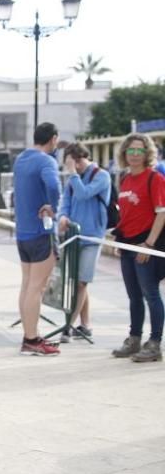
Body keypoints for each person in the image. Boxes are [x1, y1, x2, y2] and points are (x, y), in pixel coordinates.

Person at [109, 133, 165, 363]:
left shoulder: (155, 179)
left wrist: (148, 245)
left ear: (147, 153)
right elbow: (126, 212)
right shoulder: (125, 178)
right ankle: (134, 339)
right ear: (124, 153)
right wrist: (120, 239)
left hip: (147, 244)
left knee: (150, 293)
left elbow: (162, 214)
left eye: (139, 150)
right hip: (128, 243)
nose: (134, 154)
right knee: (133, 296)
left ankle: (154, 343)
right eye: (130, 150)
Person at [13, 122, 62, 356]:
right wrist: (52, 206)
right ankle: (31, 340)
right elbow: (53, 184)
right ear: (53, 139)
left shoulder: (20, 159)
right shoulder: (47, 161)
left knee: (27, 285)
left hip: (23, 231)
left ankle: (29, 334)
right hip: (41, 231)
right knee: (37, 287)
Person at [56, 143, 110, 343]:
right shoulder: (72, 179)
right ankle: (85, 325)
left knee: (81, 282)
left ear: (78, 159)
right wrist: (62, 217)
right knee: (78, 282)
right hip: (73, 235)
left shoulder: (101, 176)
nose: (71, 167)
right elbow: (66, 203)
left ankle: (68, 326)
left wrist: (73, 174)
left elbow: (84, 193)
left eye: (72, 163)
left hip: (92, 236)